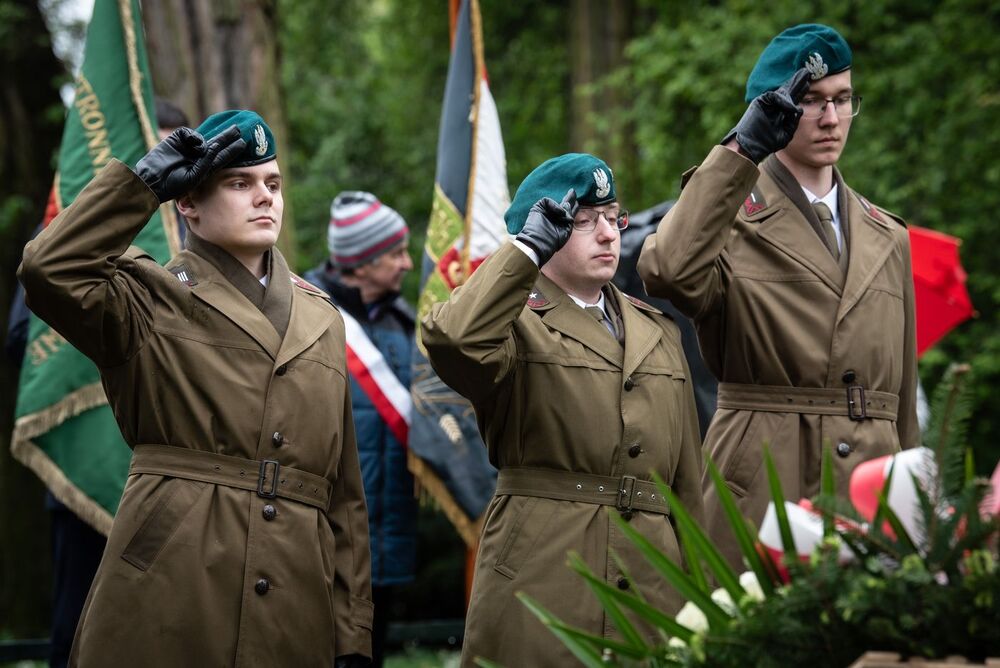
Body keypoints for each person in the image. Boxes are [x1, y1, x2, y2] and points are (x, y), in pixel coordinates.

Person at [19, 110, 373, 667]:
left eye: (273, 184)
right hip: (173, 584)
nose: (265, 198)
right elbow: (48, 269)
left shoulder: (322, 318)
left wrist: (352, 633)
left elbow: (344, 494)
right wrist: (144, 186)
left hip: (296, 601)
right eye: (240, 183)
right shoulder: (145, 296)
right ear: (188, 201)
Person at [637, 24, 919, 568]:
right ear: (775, 110)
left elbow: (903, 401)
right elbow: (667, 270)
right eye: (811, 101)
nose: (831, 118)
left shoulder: (889, 236)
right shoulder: (728, 220)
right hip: (764, 486)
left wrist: (915, 505)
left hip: (873, 489)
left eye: (841, 100)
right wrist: (740, 150)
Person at [422, 154, 704, 666]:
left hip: (651, 585)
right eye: (581, 221)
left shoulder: (658, 330)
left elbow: (686, 482)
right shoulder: (512, 322)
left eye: (612, 217)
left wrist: (703, 595)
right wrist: (522, 251)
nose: (607, 234)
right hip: (546, 572)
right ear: (543, 230)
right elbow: (454, 341)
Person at [6, 99, 191, 668]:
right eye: (154, 150)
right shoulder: (71, 237)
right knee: (81, 631)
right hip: (86, 462)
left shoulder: (203, 235)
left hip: (181, 473)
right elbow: (25, 339)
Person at [304, 191, 416, 667]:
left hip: (388, 530)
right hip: (326, 537)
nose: (408, 264)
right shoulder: (305, 314)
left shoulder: (406, 321)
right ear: (360, 263)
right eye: (395, 253)